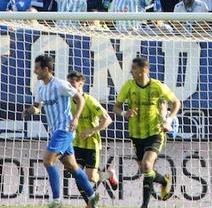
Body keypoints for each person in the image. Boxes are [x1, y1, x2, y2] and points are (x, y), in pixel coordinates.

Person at [25, 56, 101, 208]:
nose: (34, 71)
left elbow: (81, 99)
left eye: (37, 68)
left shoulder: (60, 85)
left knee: (48, 161)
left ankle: (57, 200)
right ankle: (93, 196)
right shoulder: (40, 88)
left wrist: (76, 118)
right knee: (73, 167)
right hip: (55, 131)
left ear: (46, 69)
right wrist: (31, 110)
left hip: (65, 129)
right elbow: (38, 108)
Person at [113, 57, 181, 208]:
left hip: (155, 132)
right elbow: (116, 107)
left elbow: (176, 103)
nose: (131, 71)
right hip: (136, 134)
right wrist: (125, 113)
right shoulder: (128, 86)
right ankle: (164, 181)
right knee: (145, 170)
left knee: (146, 164)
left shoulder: (157, 86)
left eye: (134, 68)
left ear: (143, 70)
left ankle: (144, 205)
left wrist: (169, 120)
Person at [67, 71, 117, 197]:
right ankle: (90, 202)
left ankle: (109, 174)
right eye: (69, 83)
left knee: (92, 178)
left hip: (91, 145)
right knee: (77, 174)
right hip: (76, 144)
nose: (70, 85)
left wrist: (92, 130)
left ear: (81, 84)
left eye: (73, 83)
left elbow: (108, 120)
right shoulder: (68, 101)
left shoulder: (89, 101)